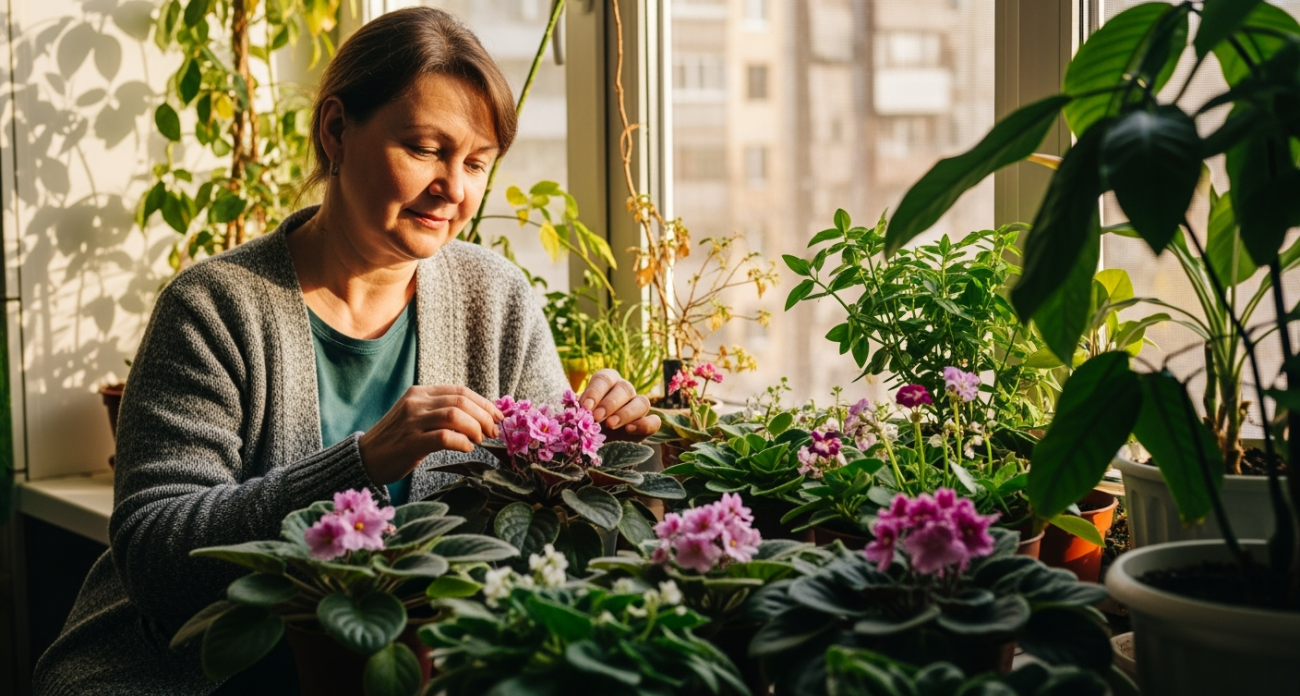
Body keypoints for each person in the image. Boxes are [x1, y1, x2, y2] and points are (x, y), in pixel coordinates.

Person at [32, 7, 659, 694]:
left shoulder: (498, 300)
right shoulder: (214, 307)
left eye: (476, 162)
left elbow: (554, 551)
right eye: (425, 149)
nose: (454, 189)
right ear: (336, 130)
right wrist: (361, 462)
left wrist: (603, 460)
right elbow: (158, 563)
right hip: (192, 674)